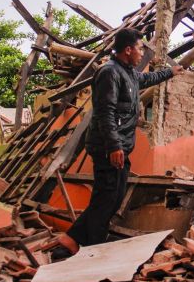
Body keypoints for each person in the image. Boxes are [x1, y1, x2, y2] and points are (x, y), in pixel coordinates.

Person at [54, 28, 184, 258]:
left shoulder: (128, 73)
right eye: (140, 48)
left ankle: (71, 239)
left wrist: (171, 72)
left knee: (111, 197)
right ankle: (91, 250)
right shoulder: (109, 73)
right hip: (107, 147)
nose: (142, 52)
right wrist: (114, 146)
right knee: (107, 199)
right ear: (128, 49)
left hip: (120, 146)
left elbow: (147, 79)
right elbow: (106, 112)